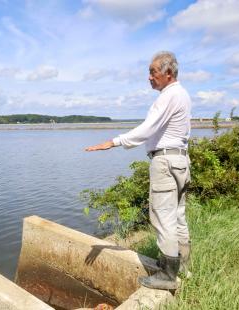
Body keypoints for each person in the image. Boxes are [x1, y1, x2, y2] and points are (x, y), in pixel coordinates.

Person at [85, 51, 191, 290]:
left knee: (163, 217)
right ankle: (182, 267)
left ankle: (167, 276)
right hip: (181, 160)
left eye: (153, 72)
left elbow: (146, 129)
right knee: (178, 217)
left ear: (168, 73)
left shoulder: (168, 96)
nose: (149, 77)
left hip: (165, 162)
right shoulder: (182, 94)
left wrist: (113, 142)